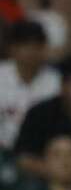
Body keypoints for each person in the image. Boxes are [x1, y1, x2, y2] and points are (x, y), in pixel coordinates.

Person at [0, 20, 60, 153]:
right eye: (25, 45)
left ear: (45, 48)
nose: (31, 52)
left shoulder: (55, 82)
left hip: (39, 152)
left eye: (37, 46)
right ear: (12, 48)